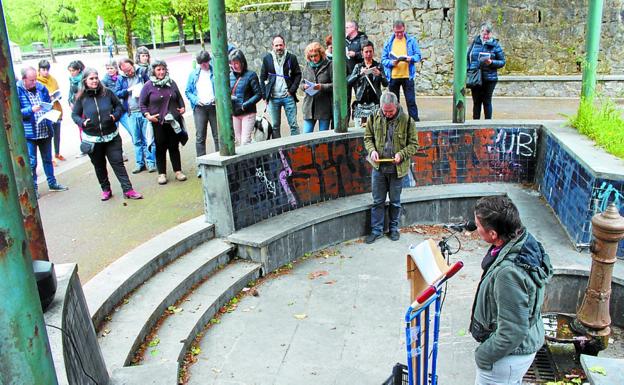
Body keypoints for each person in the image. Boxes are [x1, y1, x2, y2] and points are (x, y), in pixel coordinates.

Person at [470, 195, 552, 385]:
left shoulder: (508, 274)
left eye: (478, 225)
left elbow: (512, 331)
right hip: (521, 348)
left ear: (492, 235)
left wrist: (483, 355)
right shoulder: (523, 239)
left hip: (507, 358)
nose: (475, 229)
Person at [71, 68, 142, 201]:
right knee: (99, 166)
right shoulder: (81, 97)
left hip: (111, 136)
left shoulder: (107, 93)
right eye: (91, 78)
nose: (95, 81)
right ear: (85, 80)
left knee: (118, 163)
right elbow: (74, 115)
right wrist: (82, 122)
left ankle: (128, 189)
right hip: (93, 140)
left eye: (96, 77)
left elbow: (119, 107)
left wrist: (114, 116)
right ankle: (106, 189)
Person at [363, 91, 418, 243]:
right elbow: (368, 138)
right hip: (379, 168)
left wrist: (401, 154)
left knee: (395, 201)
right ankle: (376, 230)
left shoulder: (407, 121)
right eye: (384, 111)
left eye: (391, 111)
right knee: (377, 201)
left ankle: (393, 228)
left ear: (397, 106)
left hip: (397, 170)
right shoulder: (373, 117)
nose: (387, 114)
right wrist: (372, 150)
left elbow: (414, 145)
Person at [17, 67, 68, 196]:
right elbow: (16, 113)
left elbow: (48, 104)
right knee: (32, 161)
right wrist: (31, 110)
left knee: (47, 158)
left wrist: (49, 109)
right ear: (24, 79)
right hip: (30, 133)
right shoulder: (17, 91)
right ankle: (33, 188)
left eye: (35, 79)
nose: (35, 82)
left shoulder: (41, 88)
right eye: (31, 80)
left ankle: (52, 183)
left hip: (44, 128)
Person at [140, 60, 187, 185]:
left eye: (163, 69)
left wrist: (182, 107)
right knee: (160, 147)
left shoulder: (172, 83)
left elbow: (179, 98)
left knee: (174, 146)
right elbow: (142, 104)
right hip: (158, 122)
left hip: (173, 122)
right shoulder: (148, 85)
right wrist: (148, 116)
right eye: (158, 69)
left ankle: (178, 171)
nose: (161, 72)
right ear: (153, 71)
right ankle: (162, 174)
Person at [116, 57, 156, 173]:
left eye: (130, 69)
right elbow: (117, 93)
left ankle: (151, 162)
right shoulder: (120, 79)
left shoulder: (142, 73)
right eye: (126, 71)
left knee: (148, 138)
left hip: (144, 111)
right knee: (136, 140)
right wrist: (128, 90)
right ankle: (139, 163)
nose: (129, 72)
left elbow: (151, 86)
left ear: (133, 65)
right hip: (131, 112)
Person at [259, 35, 302, 138]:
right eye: (276, 45)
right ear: (272, 46)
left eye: (281, 45)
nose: (279, 47)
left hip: (288, 96)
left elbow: (298, 74)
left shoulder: (291, 58)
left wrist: (292, 90)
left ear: (284, 45)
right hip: (273, 98)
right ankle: (279, 151)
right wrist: (265, 96)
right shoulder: (267, 59)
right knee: (275, 126)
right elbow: (262, 77)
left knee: (293, 125)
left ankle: (296, 147)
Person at [185, 50, 219, 176]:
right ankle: (201, 165)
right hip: (200, 107)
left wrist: (217, 98)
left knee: (217, 135)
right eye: (202, 63)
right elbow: (188, 91)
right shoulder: (193, 74)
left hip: (213, 106)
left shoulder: (214, 71)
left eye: (206, 62)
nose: (204, 65)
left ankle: (219, 160)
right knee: (200, 136)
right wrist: (196, 100)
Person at [381, 20, 422, 121]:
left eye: (401, 32)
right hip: (393, 76)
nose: (399, 34)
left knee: (411, 101)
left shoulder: (411, 41)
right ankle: (396, 121)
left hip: (407, 76)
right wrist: (391, 63)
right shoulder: (389, 43)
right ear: (393, 31)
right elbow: (383, 60)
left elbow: (418, 55)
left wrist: (410, 58)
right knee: (394, 102)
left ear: (404, 29)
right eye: (397, 32)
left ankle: (414, 121)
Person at [467, 22, 506, 120]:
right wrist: (469, 69)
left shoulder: (495, 45)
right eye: (483, 33)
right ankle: (475, 124)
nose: (485, 35)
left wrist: (491, 62)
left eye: (487, 33)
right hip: (476, 76)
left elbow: (502, 62)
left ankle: (488, 124)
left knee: (487, 101)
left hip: (489, 78)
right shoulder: (475, 43)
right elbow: (467, 57)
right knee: (476, 102)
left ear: (491, 34)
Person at [347, 41, 388, 128]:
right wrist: (360, 74)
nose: (368, 54)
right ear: (362, 53)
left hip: (375, 100)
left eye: (370, 51)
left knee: (376, 127)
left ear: (373, 52)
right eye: (366, 52)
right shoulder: (358, 66)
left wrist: (380, 75)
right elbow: (349, 82)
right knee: (359, 128)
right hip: (361, 100)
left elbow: (386, 84)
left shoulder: (379, 66)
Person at [229, 49, 262, 145]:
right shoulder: (229, 76)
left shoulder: (251, 75)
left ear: (242, 62)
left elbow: (258, 94)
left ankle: (253, 159)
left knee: (245, 141)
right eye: (232, 63)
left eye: (236, 63)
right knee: (238, 141)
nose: (234, 66)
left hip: (248, 112)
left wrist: (245, 105)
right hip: (235, 113)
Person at [37, 59, 65, 164]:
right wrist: (47, 96)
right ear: (39, 69)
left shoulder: (52, 79)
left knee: (57, 134)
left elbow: (58, 90)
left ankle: (57, 153)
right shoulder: (36, 81)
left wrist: (57, 95)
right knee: (49, 135)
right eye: (43, 69)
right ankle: (49, 159)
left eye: (47, 69)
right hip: (46, 111)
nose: (46, 72)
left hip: (56, 108)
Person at [301, 42, 333, 133]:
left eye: (315, 55)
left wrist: (321, 87)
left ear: (321, 54)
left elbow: (335, 85)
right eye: (311, 56)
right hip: (309, 106)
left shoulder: (329, 65)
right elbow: (301, 83)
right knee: (306, 135)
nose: (313, 59)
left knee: (323, 136)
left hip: (324, 106)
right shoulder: (307, 65)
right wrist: (304, 87)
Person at [345, 21, 368, 118]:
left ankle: (361, 120)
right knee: (345, 99)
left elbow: (367, 53)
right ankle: (344, 121)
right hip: (346, 73)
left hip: (358, 73)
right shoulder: (344, 40)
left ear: (354, 28)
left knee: (360, 97)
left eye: (347, 27)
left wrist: (356, 54)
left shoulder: (362, 39)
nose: (345, 29)